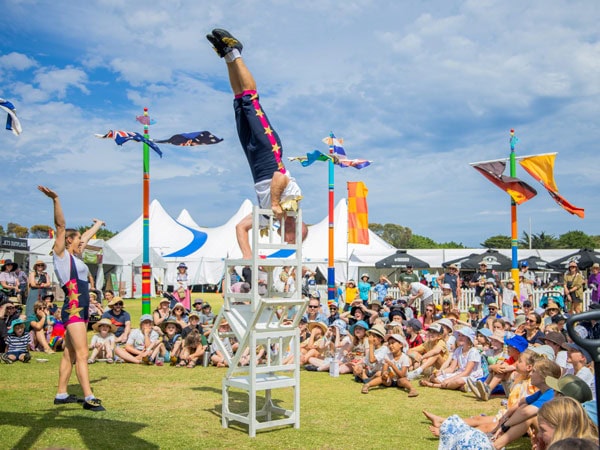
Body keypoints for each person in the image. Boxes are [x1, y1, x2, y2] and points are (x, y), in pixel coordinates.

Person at [206, 28, 307, 259]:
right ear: (296, 232)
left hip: (254, 163)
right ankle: (237, 53)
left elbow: (240, 228)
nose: (285, 240)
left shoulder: (268, 217)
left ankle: (227, 55)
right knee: (250, 99)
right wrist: (274, 203)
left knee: (239, 104)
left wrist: (248, 256)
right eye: (290, 240)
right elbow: (279, 177)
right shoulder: (292, 204)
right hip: (269, 155)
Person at [38, 185, 106, 412]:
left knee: (69, 353)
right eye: (77, 241)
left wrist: (97, 224)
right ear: (68, 241)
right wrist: (55, 199)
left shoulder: (76, 258)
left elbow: (85, 237)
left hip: (82, 308)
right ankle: (88, 397)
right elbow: (61, 226)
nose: (82, 244)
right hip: (75, 308)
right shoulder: (61, 255)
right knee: (83, 354)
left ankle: (61, 394)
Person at [419, 327, 483, 392]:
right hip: (460, 373)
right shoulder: (458, 350)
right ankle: (458, 387)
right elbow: (451, 368)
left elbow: (467, 372)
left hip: (471, 375)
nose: (460, 337)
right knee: (434, 378)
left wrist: (449, 380)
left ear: (469, 339)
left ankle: (432, 385)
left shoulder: (473, 352)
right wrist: (440, 373)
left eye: (463, 336)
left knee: (458, 381)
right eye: (459, 335)